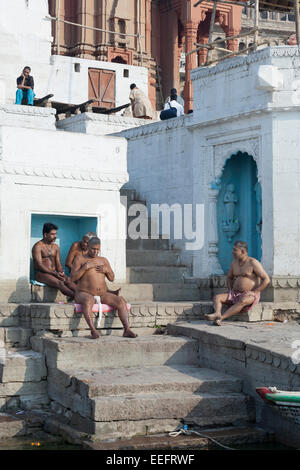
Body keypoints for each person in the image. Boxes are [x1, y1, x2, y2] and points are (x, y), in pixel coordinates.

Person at [71, 237, 137, 339]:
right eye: (93, 249)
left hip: (102, 294)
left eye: (98, 249)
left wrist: (107, 270)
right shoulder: (80, 259)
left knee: (121, 301)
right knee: (89, 299)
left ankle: (127, 329)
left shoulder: (103, 260)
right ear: (88, 246)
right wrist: (85, 268)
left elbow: (112, 278)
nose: (95, 252)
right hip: (83, 293)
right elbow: (73, 278)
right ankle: (93, 331)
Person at [205, 241, 270, 326]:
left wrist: (255, 292)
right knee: (217, 297)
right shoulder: (234, 263)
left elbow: (266, 279)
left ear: (243, 251)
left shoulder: (253, 262)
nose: (232, 252)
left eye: (235, 250)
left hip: (249, 294)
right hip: (235, 293)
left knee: (243, 300)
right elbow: (229, 277)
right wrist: (230, 290)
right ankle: (217, 313)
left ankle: (221, 318)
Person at [32, 223, 77, 299]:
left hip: (54, 273)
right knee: (60, 283)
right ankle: (78, 297)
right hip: (41, 274)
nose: (55, 236)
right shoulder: (37, 246)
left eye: (55, 234)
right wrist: (54, 273)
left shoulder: (55, 247)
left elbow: (58, 263)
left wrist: (61, 271)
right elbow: (39, 265)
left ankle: (83, 295)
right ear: (45, 235)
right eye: (52, 234)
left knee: (68, 280)